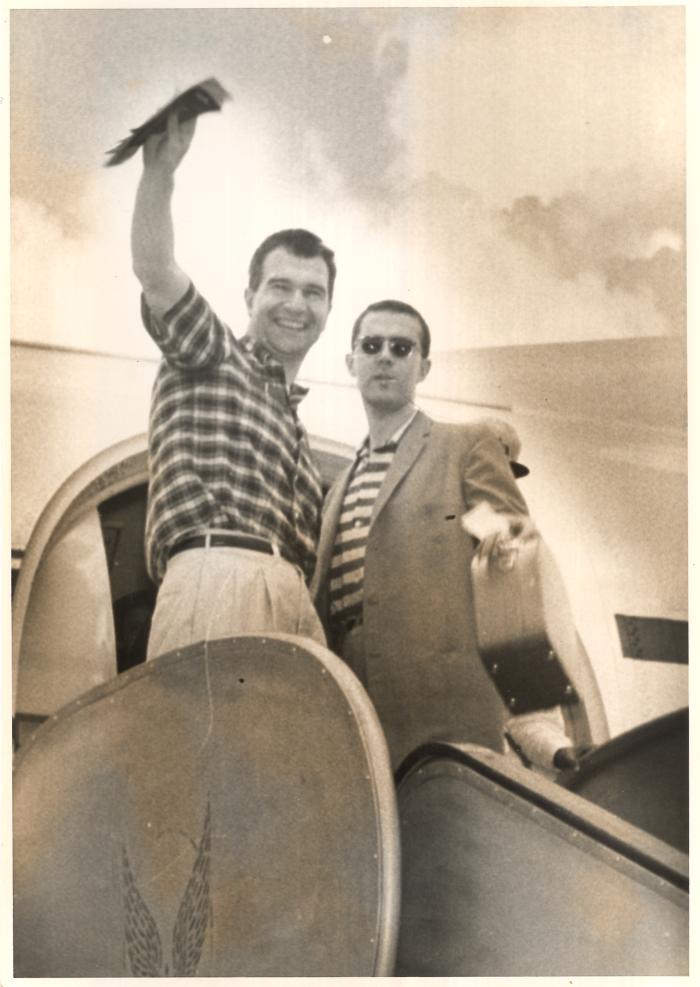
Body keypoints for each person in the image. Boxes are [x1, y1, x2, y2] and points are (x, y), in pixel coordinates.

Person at [131, 112, 334, 659]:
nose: (297, 304)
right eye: (280, 286)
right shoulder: (211, 351)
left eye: (314, 293)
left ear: (329, 309)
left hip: (292, 596)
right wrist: (160, 174)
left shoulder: (301, 436)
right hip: (215, 572)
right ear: (249, 297)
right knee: (204, 744)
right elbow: (155, 268)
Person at [312, 299, 547, 770]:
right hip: (351, 702)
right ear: (350, 361)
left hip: (441, 708)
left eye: (401, 348)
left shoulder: (464, 446)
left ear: (423, 367)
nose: (385, 357)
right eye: (371, 345)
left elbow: (512, 558)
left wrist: (535, 714)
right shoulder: (339, 485)